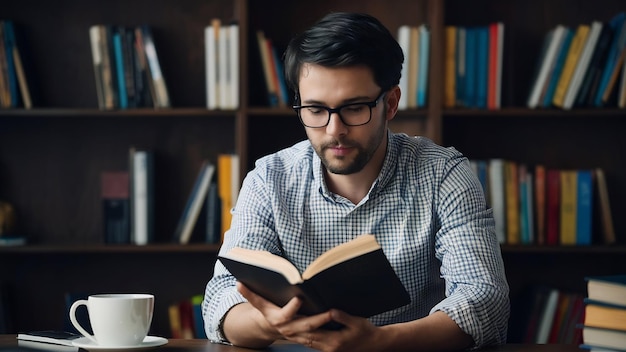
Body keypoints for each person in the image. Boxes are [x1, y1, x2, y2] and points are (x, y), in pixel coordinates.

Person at [202, 12, 509, 351]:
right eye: (316, 110)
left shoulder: (444, 174)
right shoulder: (268, 180)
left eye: (354, 108)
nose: (335, 130)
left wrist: (379, 342)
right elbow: (219, 302)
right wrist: (270, 322)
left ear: (390, 103)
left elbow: (485, 299)